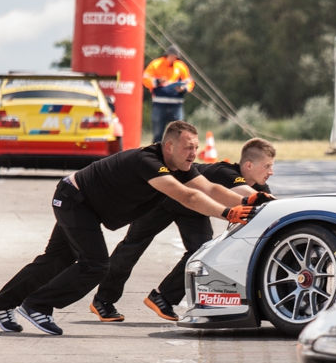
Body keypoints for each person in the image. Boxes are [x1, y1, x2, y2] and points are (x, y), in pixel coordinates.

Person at [0, 121, 272, 336]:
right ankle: (38, 305)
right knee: (95, 265)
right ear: (169, 146)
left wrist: (249, 199)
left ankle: (1, 304)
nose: (193, 153)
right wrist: (228, 213)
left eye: (196, 147)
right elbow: (188, 196)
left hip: (86, 206)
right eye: (188, 147)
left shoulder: (182, 166)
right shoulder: (148, 162)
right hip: (74, 200)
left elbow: (208, 187)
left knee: (56, 260)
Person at [90, 138, 277, 322]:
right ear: (249, 165)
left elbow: (268, 205)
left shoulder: (260, 186)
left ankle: (162, 297)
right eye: (267, 166)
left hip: (194, 209)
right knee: (133, 247)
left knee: (201, 251)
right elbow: (248, 195)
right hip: (164, 200)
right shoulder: (225, 172)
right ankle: (103, 300)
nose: (271, 172)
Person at [144, 46, 195, 143]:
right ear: (167, 55)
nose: (173, 59)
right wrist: (157, 81)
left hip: (176, 105)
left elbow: (190, 82)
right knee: (157, 133)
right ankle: (156, 156)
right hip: (159, 104)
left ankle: (176, 156)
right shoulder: (156, 64)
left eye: (175, 57)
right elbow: (145, 79)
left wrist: (183, 89)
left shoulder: (181, 66)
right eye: (172, 57)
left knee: (178, 133)